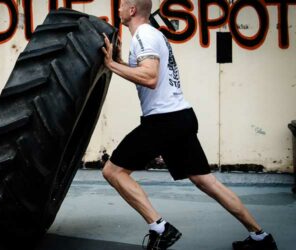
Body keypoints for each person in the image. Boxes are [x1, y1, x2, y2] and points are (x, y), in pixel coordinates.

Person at [101, 0, 278, 249]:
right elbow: (150, 74)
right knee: (207, 181)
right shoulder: (153, 35)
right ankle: (261, 236)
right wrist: (121, 61)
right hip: (180, 116)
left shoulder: (143, 34)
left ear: (131, 10)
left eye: (121, 5)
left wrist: (111, 65)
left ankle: (160, 228)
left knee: (113, 171)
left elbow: (150, 77)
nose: (117, 9)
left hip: (163, 120)